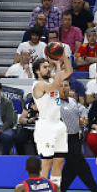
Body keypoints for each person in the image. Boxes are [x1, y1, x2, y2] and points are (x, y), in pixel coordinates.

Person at [32, 55, 73, 185]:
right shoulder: (39, 84)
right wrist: (56, 65)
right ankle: (42, 191)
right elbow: (56, 85)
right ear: (37, 71)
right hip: (45, 126)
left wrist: (62, 58)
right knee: (46, 162)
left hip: (58, 124)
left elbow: (69, 71)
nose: (48, 69)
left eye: (48, 66)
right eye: (45, 67)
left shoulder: (50, 80)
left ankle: (55, 191)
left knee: (59, 161)